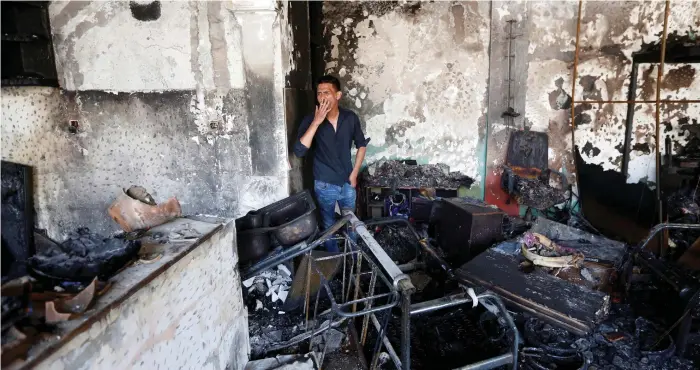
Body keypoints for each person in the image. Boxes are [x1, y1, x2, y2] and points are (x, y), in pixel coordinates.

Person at [293, 75, 369, 252]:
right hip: (324, 184)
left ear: (338, 95)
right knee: (328, 224)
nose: (322, 97)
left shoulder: (350, 118)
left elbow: (361, 145)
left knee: (351, 221)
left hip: (347, 182)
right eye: (319, 93)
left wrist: (354, 173)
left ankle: (352, 256)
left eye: (326, 92)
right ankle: (334, 259)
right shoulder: (310, 120)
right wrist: (316, 122)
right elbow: (299, 150)